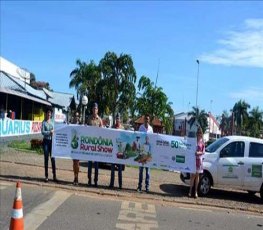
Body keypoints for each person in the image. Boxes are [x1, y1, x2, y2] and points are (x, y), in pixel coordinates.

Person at [86, 102, 103, 187]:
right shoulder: (89, 119)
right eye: (93, 108)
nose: (94, 110)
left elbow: (102, 132)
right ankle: (89, 180)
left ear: (97, 110)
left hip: (97, 145)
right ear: (92, 109)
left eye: (96, 108)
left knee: (96, 165)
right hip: (90, 145)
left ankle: (96, 181)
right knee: (89, 164)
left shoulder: (100, 120)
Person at [137, 114, 153, 193]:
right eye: (145, 119)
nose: (147, 120)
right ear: (144, 120)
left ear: (149, 120)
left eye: (148, 119)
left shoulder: (151, 129)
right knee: (141, 171)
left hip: (148, 154)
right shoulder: (141, 127)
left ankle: (147, 187)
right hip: (142, 152)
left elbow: (152, 140)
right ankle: (139, 186)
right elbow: (139, 138)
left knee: (148, 172)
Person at [41, 107, 57, 183]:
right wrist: (49, 132)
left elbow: (56, 129)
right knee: (46, 159)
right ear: (46, 113)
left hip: (52, 142)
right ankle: (46, 176)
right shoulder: (43, 122)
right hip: (46, 142)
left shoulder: (53, 121)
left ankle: (54, 175)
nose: (49, 114)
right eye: (48, 113)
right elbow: (42, 132)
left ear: (51, 114)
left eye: (50, 113)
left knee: (53, 159)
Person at [188, 127, 205, 198]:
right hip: (193, 160)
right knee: (192, 176)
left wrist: (198, 152)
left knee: (197, 176)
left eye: (200, 133)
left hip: (199, 160)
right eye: (198, 132)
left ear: (202, 134)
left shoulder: (202, 142)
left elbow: (203, 152)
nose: (199, 134)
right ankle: (190, 191)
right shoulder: (193, 141)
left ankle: (195, 192)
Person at [109, 113, 124, 189]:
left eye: (119, 118)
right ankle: (111, 184)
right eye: (116, 118)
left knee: (120, 170)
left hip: (120, 152)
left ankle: (120, 185)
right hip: (113, 151)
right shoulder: (112, 127)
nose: (117, 119)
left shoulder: (122, 128)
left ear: (120, 119)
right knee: (112, 169)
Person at [72, 111, 80, 185]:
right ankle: (75, 177)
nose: (76, 117)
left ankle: (77, 177)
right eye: (75, 116)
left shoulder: (81, 125)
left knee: (77, 163)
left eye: (77, 116)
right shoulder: (70, 125)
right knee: (74, 163)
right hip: (72, 146)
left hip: (79, 147)